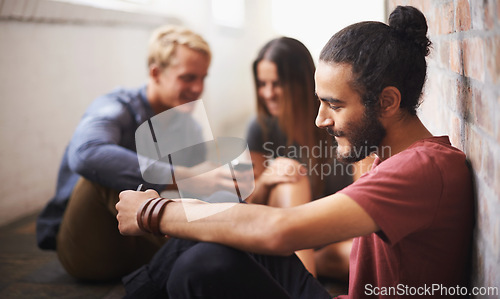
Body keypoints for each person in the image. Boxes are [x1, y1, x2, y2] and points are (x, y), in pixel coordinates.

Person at [116, 6, 474, 298]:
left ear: (388, 102)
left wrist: (153, 212)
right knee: (208, 250)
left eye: (334, 105)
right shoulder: (388, 158)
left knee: (202, 266)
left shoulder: (423, 167)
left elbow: (279, 230)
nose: (320, 119)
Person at [36, 25, 241, 281]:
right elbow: (86, 153)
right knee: (103, 174)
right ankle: (217, 252)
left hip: (144, 247)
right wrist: (182, 175)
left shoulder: (188, 126)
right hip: (90, 250)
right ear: (156, 73)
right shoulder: (115, 107)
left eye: (203, 78)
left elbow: (200, 188)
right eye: (188, 77)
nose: (198, 88)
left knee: (215, 185)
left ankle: (225, 250)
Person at [245, 37, 353, 279]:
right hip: (286, 233)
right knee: (290, 177)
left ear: (301, 83)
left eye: (277, 83)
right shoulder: (261, 127)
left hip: (332, 236)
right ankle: (305, 282)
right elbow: (250, 209)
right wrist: (267, 179)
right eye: (262, 84)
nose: (268, 93)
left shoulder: (336, 123)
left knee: (363, 254)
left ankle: (303, 270)